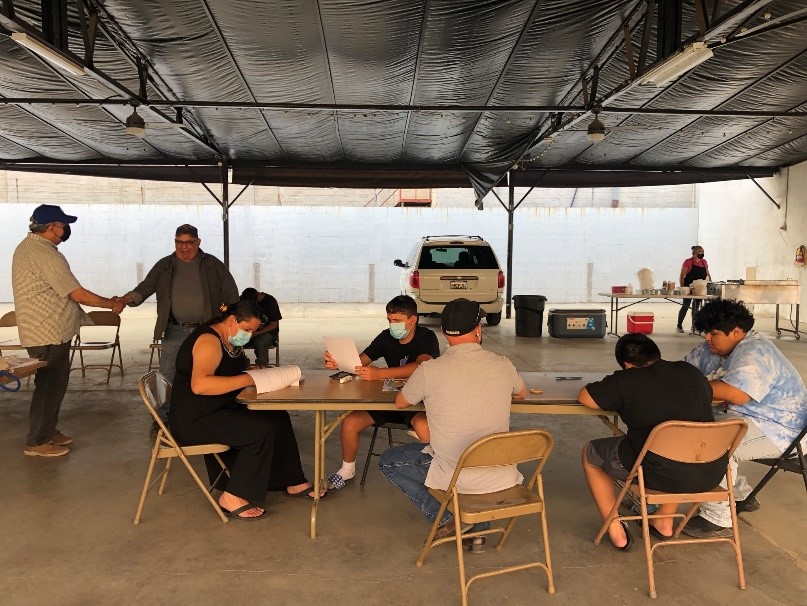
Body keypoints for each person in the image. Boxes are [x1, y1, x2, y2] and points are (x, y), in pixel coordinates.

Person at [379, 298, 526, 546]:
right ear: (478, 330)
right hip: (503, 475)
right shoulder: (503, 365)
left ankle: (451, 518)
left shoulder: (430, 370)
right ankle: (475, 527)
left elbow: (401, 402)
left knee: (389, 461)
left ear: (445, 333)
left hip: (456, 477)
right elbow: (520, 393)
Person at [169, 300, 319, 520]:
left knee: (277, 417)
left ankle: (292, 480)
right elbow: (200, 385)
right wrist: (247, 378)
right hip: (195, 419)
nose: (249, 335)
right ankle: (232, 495)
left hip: (219, 408)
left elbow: (228, 370)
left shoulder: (228, 339)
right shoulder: (208, 341)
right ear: (231, 321)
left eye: (253, 331)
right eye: (247, 329)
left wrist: (258, 372)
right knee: (260, 431)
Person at [577, 334, 722, 550]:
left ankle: (615, 529)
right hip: (710, 469)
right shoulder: (690, 372)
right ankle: (664, 521)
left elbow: (585, 397)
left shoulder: (626, 380)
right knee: (679, 448)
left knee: (591, 453)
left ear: (627, 364)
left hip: (657, 472)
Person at [682, 299, 807, 538]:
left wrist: (687, 386)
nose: (707, 338)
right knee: (693, 428)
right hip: (748, 419)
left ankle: (718, 516)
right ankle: (740, 495)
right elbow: (682, 372)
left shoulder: (756, 351)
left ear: (737, 332)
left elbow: (736, 394)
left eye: (714, 333)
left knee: (710, 443)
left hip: (782, 429)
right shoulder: (712, 348)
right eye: (705, 332)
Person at [11, 204, 125, 457]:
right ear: (51, 227)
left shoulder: (32, 248)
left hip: (49, 330)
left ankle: (48, 430)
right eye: (63, 225)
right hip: (47, 332)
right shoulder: (43, 254)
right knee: (49, 385)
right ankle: (37, 441)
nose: (66, 230)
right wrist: (111, 304)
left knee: (54, 384)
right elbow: (78, 294)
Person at [121, 224, 238, 419]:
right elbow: (145, 287)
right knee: (168, 377)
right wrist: (129, 299)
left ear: (197, 242)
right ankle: (163, 419)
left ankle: (204, 416)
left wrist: (225, 318)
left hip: (205, 333)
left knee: (207, 373)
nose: (183, 247)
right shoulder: (165, 265)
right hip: (174, 331)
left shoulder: (213, 265)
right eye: (179, 242)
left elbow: (232, 296)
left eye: (188, 243)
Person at [323, 295, 440, 490]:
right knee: (350, 422)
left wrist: (380, 374)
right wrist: (338, 362)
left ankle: (436, 473)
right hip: (389, 400)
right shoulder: (385, 337)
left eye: (397, 321)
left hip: (417, 402)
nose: (392, 325)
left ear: (413, 319)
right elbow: (359, 363)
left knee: (424, 426)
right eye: (389, 320)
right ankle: (347, 469)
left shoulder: (426, 337)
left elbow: (422, 365)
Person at [240, 287, 282, 367]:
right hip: (249, 331)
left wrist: (256, 333)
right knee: (233, 339)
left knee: (260, 342)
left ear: (256, 301)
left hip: (267, 333)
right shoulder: (243, 299)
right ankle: (241, 362)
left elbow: (273, 325)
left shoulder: (270, 302)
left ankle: (262, 366)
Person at [677, 245, 712, 333]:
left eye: (703, 252)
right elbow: (682, 276)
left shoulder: (704, 262)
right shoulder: (688, 262)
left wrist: (710, 283)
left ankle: (695, 326)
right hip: (688, 288)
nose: (702, 254)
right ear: (695, 254)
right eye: (701, 253)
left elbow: (708, 274)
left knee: (696, 308)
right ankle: (679, 325)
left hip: (699, 289)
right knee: (685, 306)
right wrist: (683, 288)